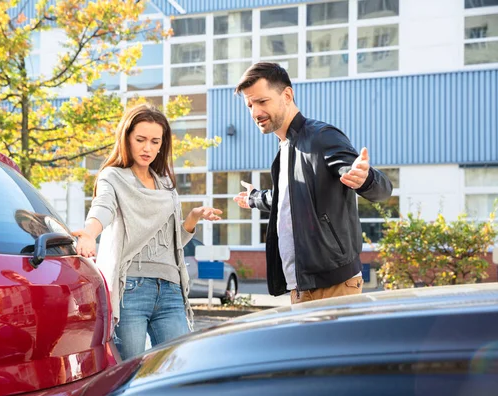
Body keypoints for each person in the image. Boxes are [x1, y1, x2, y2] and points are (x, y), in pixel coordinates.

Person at [232, 62, 393, 304]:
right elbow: (288, 199)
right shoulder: (286, 149)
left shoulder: (320, 137)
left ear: (287, 95)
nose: (255, 112)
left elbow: (382, 188)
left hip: (334, 285)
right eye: (249, 105)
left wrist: (365, 178)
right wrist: (255, 198)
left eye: (262, 102)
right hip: (301, 286)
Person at [72, 104, 222, 360]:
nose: (147, 148)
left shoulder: (165, 183)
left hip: (171, 288)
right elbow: (103, 208)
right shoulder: (113, 177)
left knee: (179, 366)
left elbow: (175, 239)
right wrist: (89, 232)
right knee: (131, 372)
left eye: (155, 141)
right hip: (131, 288)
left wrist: (193, 218)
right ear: (127, 138)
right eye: (140, 139)